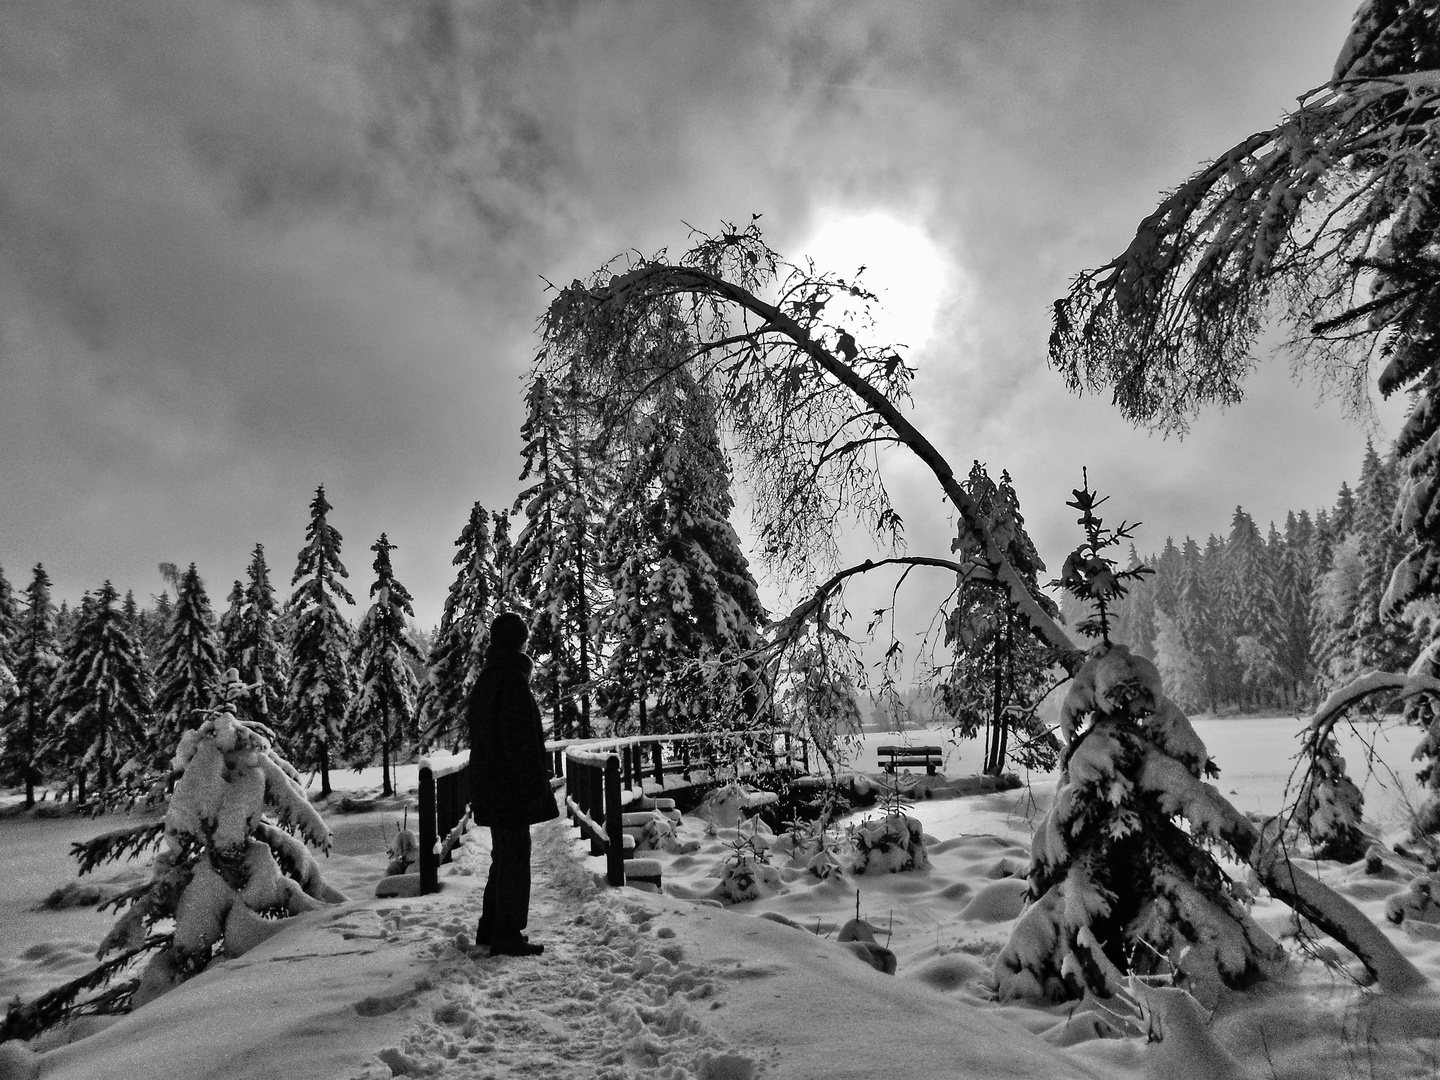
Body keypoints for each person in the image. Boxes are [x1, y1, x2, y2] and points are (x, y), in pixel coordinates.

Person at [467, 611, 559, 957]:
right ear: (519, 642)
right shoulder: (511, 679)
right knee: (515, 857)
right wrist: (533, 785)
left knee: (503, 856)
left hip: (490, 784)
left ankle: (490, 928)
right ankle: (506, 933)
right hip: (508, 787)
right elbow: (518, 741)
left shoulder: (488, 679)